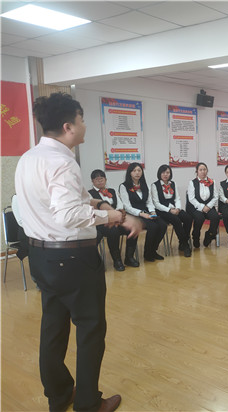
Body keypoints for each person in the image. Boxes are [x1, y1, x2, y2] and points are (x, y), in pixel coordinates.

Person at [15, 92, 141, 411]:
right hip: (72, 260)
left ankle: (59, 396)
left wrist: (101, 205)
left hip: (42, 257)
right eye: (82, 120)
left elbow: (77, 198)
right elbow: (68, 214)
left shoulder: (29, 158)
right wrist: (113, 216)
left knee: (53, 328)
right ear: (68, 126)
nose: (85, 125)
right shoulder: (62, 163)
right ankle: (88, 403)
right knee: (90, 329)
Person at [89, 169, 139, 271]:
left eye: (101, 179)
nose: (100, 181)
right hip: (102, 222)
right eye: (97, 179)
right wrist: (110, 216)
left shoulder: (112, 191)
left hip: (117, 219)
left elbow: (120, 204)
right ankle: (117, 260)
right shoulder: (89, 194)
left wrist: (117, 215)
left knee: (133, 227)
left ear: (105, 180)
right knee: (113, 231)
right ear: (92, 181)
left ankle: (129, 257)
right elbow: (93, 210)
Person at [120, 162, 167, 262]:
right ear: (130, 173)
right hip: (133, 215)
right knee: (153, 227)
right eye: (134, 171)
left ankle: (152, 251)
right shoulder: (124, 186)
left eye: (139, 170)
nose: (137, 173)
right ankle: (145, 254)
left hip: (146, 213)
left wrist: (152, 211)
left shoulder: (144, 185)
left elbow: (149, 202)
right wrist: (141, 214)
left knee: (163, 225)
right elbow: (127, 206)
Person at [151, 164, 193, 257]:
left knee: (188, 218)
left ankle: (182, 242)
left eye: (167, 172)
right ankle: (185, 245)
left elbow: (177, 198)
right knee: (176, 220)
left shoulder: (173, 184)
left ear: (170, 174)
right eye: (163, 172)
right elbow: (156, 203)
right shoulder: (155, 185)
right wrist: (170, 210)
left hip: (174, 208)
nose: (165, 174)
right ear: (159, 173)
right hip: (162, 211)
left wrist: (178, 208)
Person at [186, 162, 220, 248]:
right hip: (196, 207)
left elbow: (215, 196)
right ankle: (196, 236)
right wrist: (202, 207)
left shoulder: (212, 182)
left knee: (215, 217)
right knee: (199, 218)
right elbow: (191, 199)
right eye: (200, 170)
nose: (203, 171)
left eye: (204, 169)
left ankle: (209, 235)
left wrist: (208, 206)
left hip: (209, 206)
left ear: (207, 171)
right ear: (197, 171)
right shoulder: (192, 183)